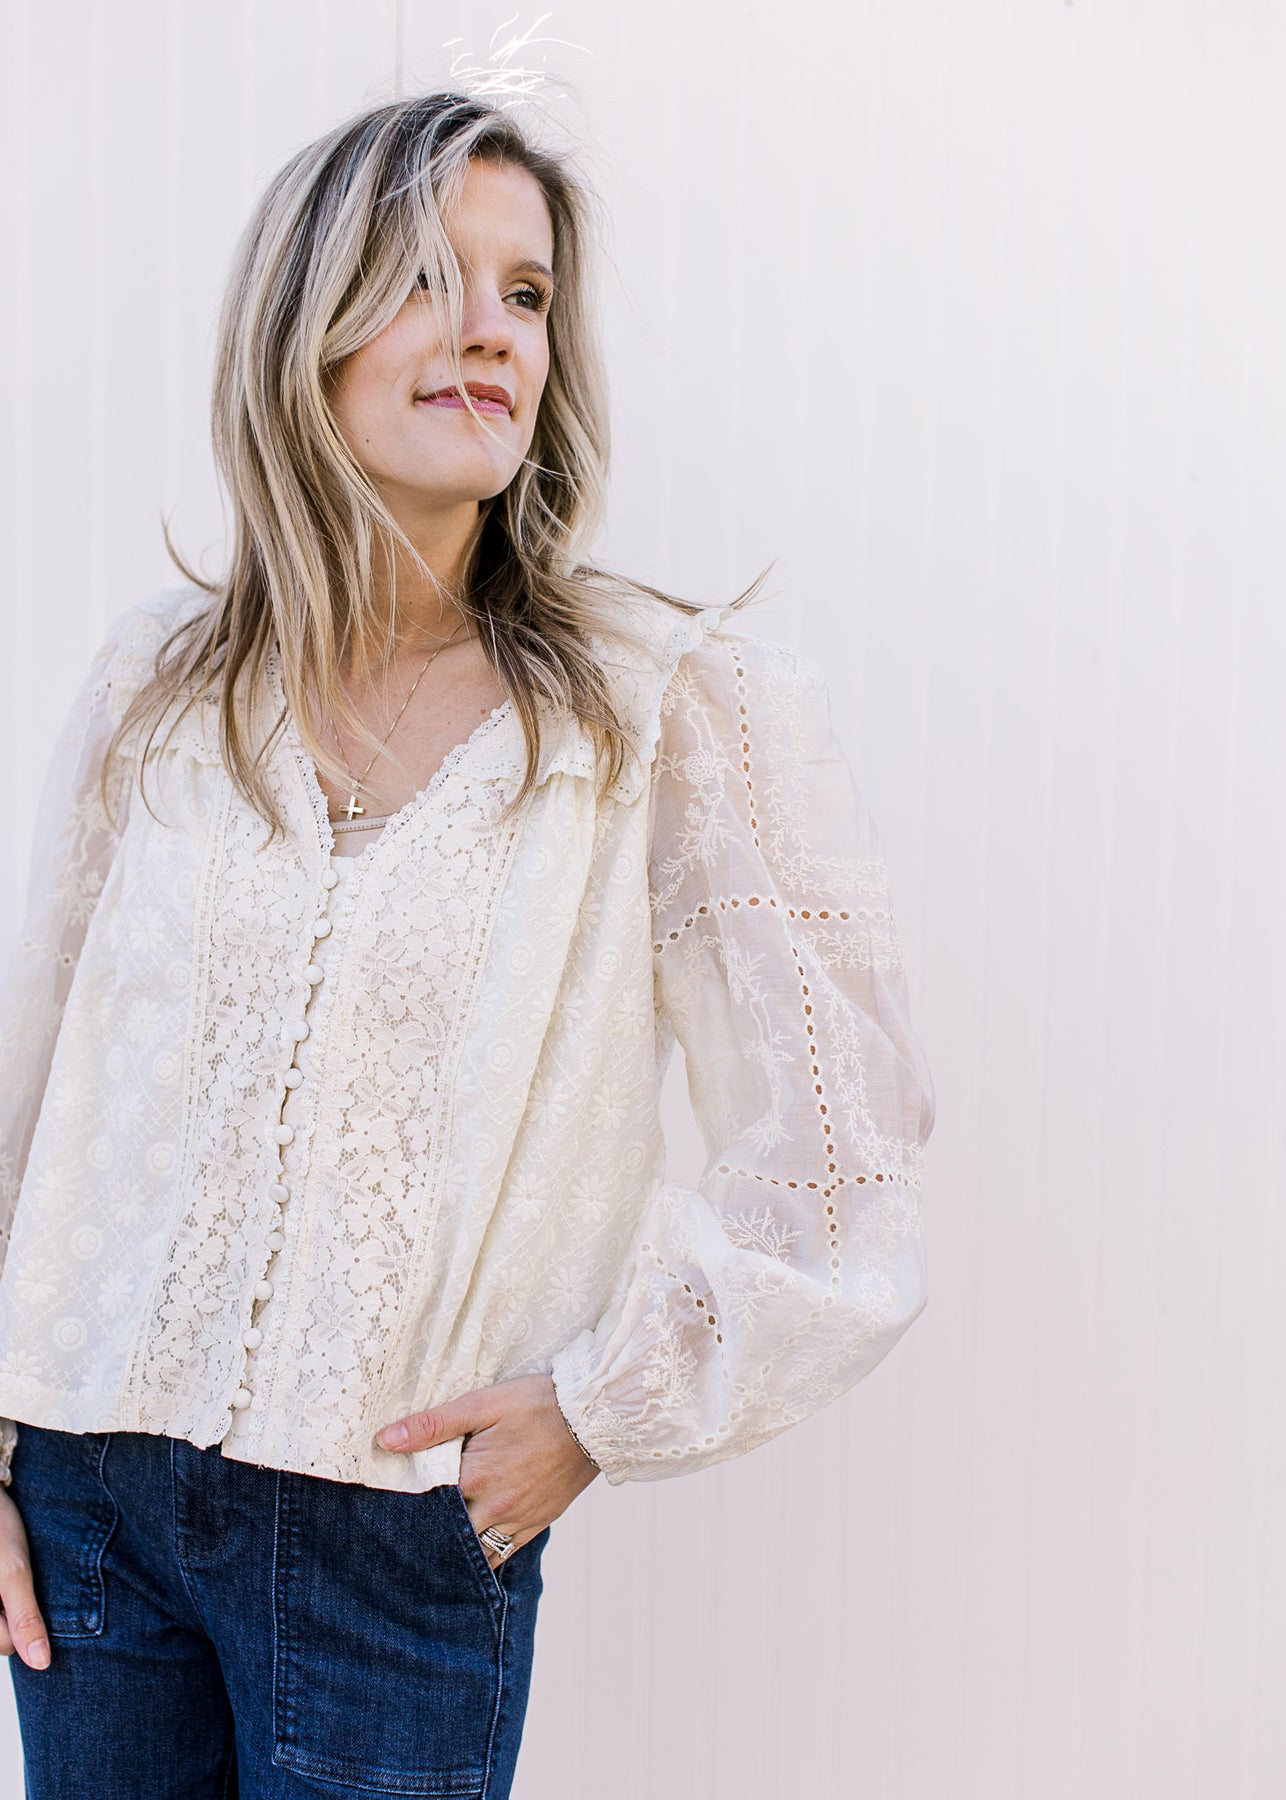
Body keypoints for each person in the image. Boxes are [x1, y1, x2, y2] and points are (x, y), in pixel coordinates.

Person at [0, 89, 936, 1800]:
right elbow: (34, 1065)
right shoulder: (159, 685)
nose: (491, 331)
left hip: (400, 1526)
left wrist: (602, 1408)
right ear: (305, 326)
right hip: (84, 1506)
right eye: (431, 278)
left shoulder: (663, 708)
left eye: (525, 294)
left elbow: (838, 1154)